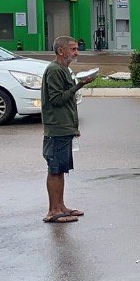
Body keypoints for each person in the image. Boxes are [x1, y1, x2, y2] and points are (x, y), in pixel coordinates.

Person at [40, 36, 97, 224]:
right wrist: (80, 84)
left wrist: (73, 127)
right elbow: (57, 100)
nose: (76, 52)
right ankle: (53, 211)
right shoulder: (55, 70)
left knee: (61, 169)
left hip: (64, 128)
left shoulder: (63, 69)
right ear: (60, 51)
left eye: (76, 48)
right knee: (54, 169)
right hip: (56, 128)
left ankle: (61, 207)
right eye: (72, 49)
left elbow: (68, 103)